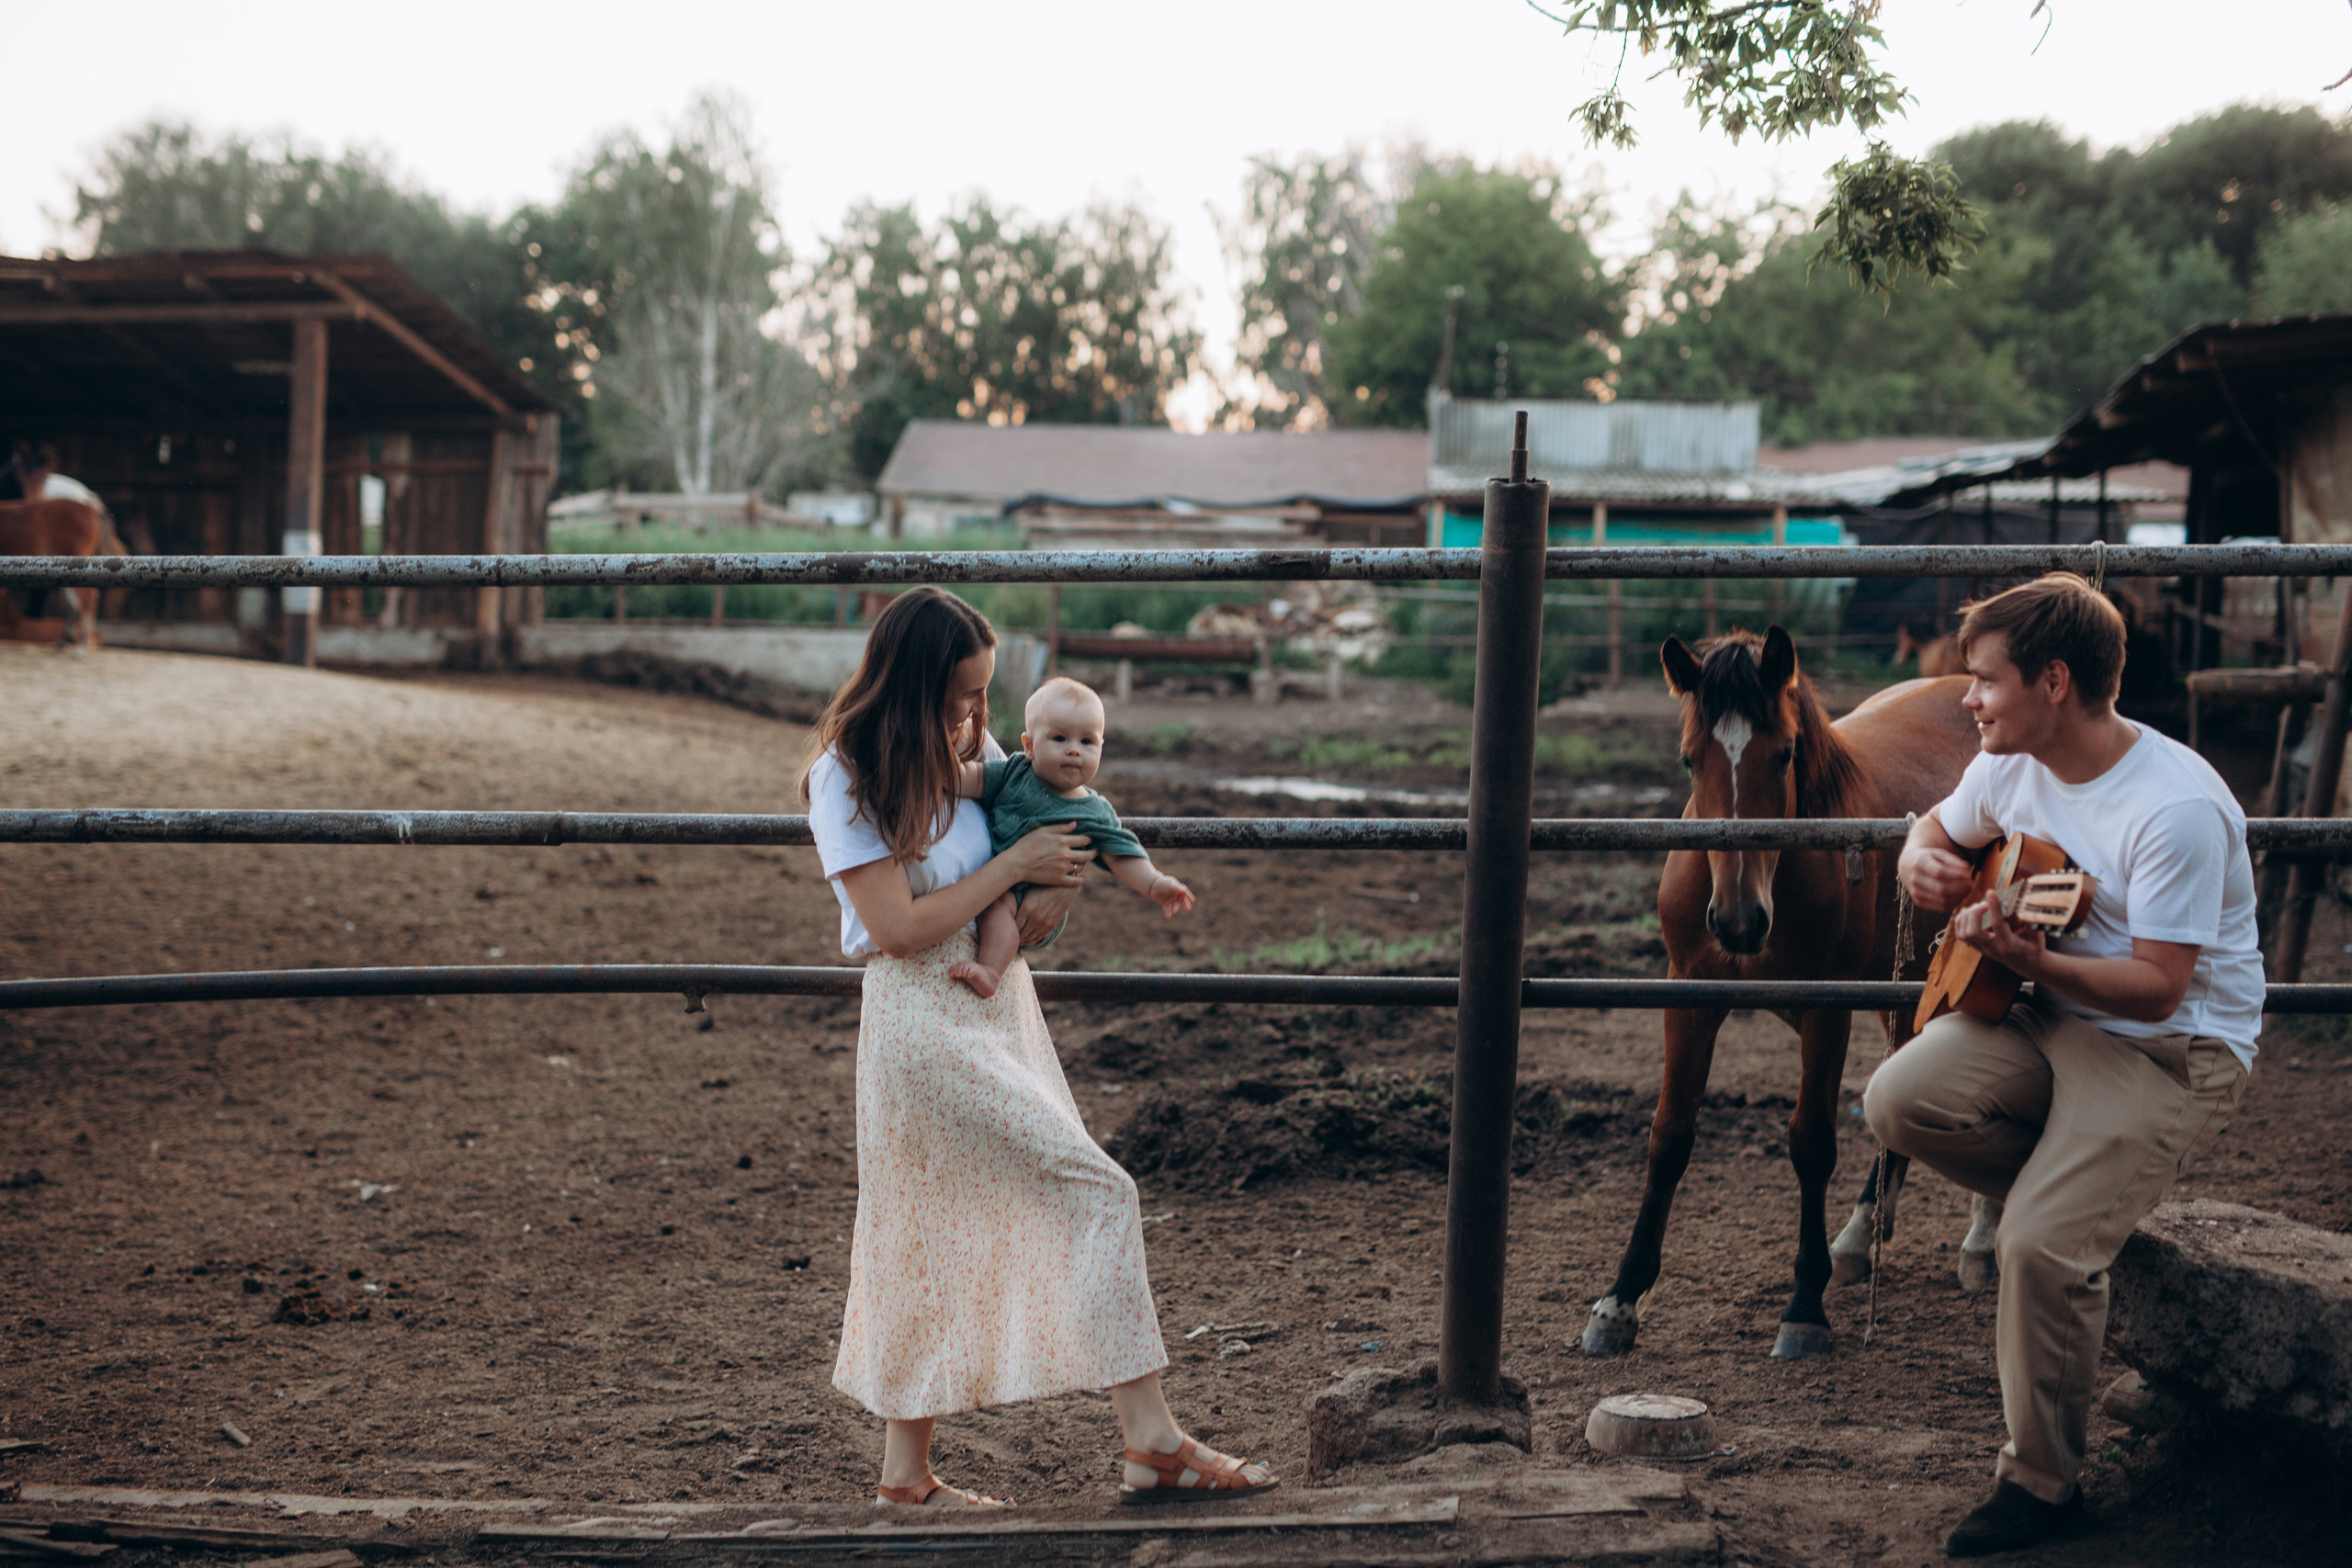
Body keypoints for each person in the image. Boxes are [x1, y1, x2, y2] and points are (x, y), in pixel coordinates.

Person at [798, 586, 1278, 1509]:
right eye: (955, 699)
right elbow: (895, 926)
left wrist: (1065, 881)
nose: (973, 719)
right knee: (1090, 1189)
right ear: (909, 689)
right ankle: (1151, 1440)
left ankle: (906, 1479)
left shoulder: (973, 748)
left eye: (980, 697)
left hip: (996, 998)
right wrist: (1015, 872)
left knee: (927, 1224)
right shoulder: (846, 773)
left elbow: (1054, 821)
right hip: (919, 1009)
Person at [1869, 573, 2260, 1557]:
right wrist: (1919, 852)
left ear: (2052, 682)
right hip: (2044, 1014)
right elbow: (1940, 830)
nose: (1966, 699)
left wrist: (2034, 960)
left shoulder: (2173, 809)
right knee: (1897, 1099)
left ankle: (2043, 1485)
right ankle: (2079, 1201)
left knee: (2034, 1247)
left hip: (2167, 1050)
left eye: (1984, 681)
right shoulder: (2007, 762)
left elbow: (2160, 989)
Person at [949, 675, 1195, 998]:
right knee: (994, 900)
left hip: (1034, 903)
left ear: (1101, 746)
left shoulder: (1094, 811)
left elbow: (1122, 853)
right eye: (1060, 738)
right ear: (1029, 746)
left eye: (1087, 742)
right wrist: (934, 769)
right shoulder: (1013, 772)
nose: (1074, 751)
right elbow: (969, 778)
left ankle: (991, 971)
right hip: (1002, 880)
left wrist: (1154, 883)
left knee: (997, 905)